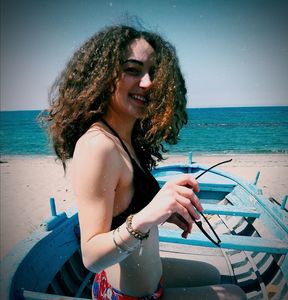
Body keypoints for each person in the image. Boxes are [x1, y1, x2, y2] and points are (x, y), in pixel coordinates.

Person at [45, 24, 246, 299]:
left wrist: (164, 212)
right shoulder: (97, 146)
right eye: (133, 70)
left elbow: (125, 209)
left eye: (153, 74)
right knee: (235, 294)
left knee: (211, 273)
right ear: (102, 76)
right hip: (128, 295)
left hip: (150, 279)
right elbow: (91, 256)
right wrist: (149, 215)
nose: (148, 82)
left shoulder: (125, 138)